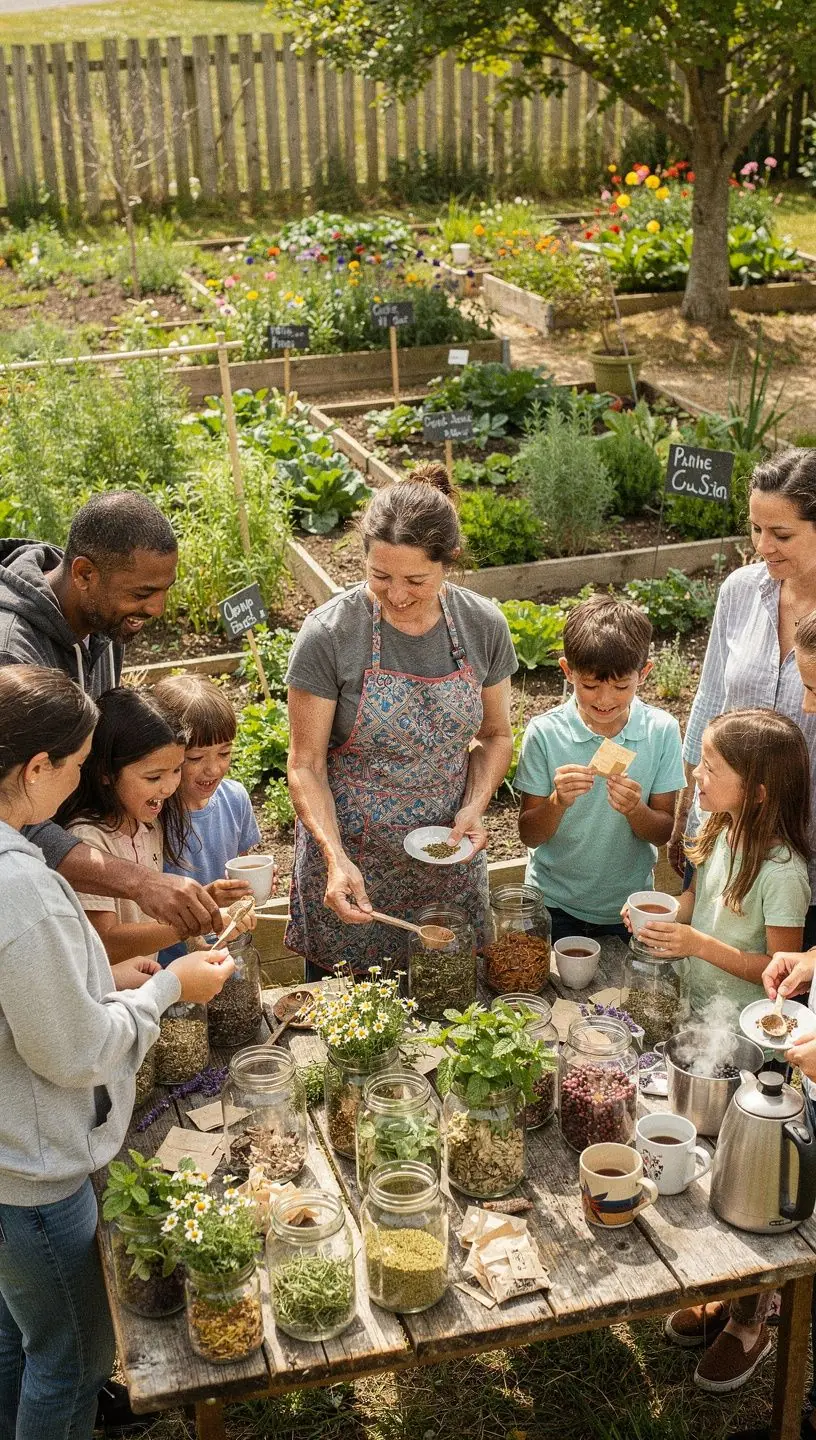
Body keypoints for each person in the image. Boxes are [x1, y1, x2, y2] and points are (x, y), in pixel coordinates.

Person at [0, 665, 234, 1440]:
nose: (74, 789)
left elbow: (28, 998)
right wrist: (167, 991)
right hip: (34, 1176)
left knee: (14, 1340)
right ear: (38, 768)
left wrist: (101, 975)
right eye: (73, 766)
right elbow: (75, 1054)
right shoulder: (23, 893)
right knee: (73, 1359)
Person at [285, 462, 517, 976]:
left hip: (447, 859)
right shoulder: (329, 635)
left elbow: (496, 736)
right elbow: (305, 766)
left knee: (450, 1003)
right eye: (379, 577)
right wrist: (334, 857)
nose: (397, 594)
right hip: (353, 862)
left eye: (416, 579)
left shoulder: (482, 625)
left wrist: (475, 806)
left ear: (449, 561)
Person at [644, 708, 810, 1395]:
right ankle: (722, 1292)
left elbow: (781, 970)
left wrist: (700, 946)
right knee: (704, 1169)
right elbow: (690, 904)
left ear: (761, 790)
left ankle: (752, 1318)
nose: (698, 774)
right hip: (700, 1025)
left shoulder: (783, 869)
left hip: (756, 1055)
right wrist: (663, 918)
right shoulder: (714, 829)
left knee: (745, 1182)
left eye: (714, 768)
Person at [0, 491, 221, 942]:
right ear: (84, 573)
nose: (156, 608)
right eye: (142, 593)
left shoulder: (103, 622)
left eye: (164, 591)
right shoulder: (12, 653)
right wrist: (138, 882)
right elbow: (10, 809)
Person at [670, 448, 816, 945]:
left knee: (779, 991)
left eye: (782, 534)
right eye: (756, 529)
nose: (762, 547)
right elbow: (710, 700)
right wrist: (685, 815)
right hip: (721, 833)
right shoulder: (740, 591)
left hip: (800, 843)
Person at [515, 593, 685, 943]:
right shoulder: (545, 733)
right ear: (567, 671)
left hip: (627, 909)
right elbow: (530, 834)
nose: (605, 700)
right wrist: (557, 802)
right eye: (590, 686)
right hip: (552, 904)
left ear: (644, 673)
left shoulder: (661, 730)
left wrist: (635, 810)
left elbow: (661, 832)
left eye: (622, 686)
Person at [56, 688, 255, 975]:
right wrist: (192, 924)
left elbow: (149, 918)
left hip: (146, 991)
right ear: (106, 773)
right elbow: (106, 943)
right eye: (153, 777)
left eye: (175, 770)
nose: (168, 788)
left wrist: (204, 900)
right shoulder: (89, 841)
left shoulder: (148, 825)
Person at [152, 675, 261, 966]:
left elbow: (238, 873)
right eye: (197, 757)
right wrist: (200, 947)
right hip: (172, 968)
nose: (213, 768)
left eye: (224, 753)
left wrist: (251, 890)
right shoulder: (153, 815)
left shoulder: (234, 799)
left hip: (227, 954)